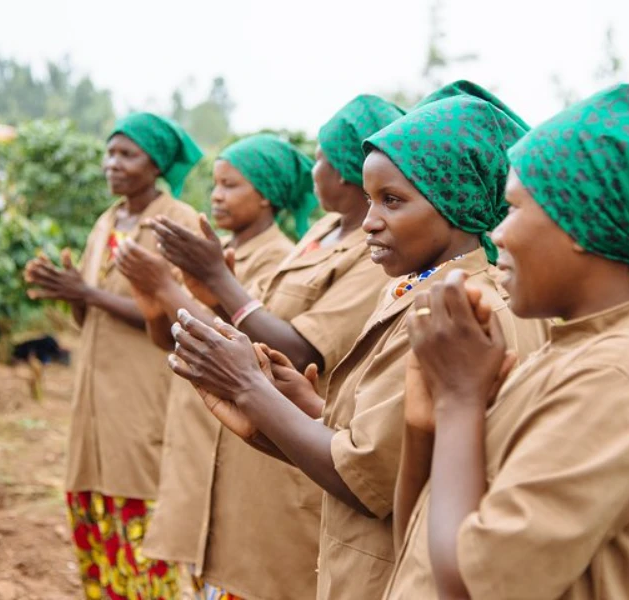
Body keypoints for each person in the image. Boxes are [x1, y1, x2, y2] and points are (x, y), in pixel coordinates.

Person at [168, 83, 549, 600]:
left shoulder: (458, 311)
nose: (369, 221)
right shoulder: (426, 288)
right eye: (371, 199)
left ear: (453, 200)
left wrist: (248, 387)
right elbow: (392, 443)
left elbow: (365, 476)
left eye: (392, 201)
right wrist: (306, 405)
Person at [384, 83, 629, 599]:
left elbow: (474, 580)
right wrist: (428, 421)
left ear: (580, 221)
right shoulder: (569, 353)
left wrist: (462, 400)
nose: (500, 233)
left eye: (514, 208)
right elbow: (421, 550)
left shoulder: (623, 373)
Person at [132, 97, 403, 600]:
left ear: (347, 171)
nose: (312, 169)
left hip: (289, 478)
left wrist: (196, 288)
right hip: (255, 462)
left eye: (321, 158)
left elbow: (303, 351)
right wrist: (202, 291)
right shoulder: (322, 233)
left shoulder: (373, 256)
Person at [24, 112, 203, 600]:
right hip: (94, 399)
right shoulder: (107, 222)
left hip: (142, 394)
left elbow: (174, 314)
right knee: (93, 517)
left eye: (127, 154)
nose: (112, 164)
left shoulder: (177, 222)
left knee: (141, 521)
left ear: (156, 163)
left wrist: (89, 292)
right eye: (110, 152)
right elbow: (91, 313)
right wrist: (69, 292)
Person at [113, 134, 296, 585]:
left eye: (230, 185)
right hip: (195, 440)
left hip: (237, 452)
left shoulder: (281, 260)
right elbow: (167, 340)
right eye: (214, 184)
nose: (215, 195)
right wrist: (153, 293)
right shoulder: (215, 252)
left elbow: (245, 351)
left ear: (267, 193)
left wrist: (169, 287)